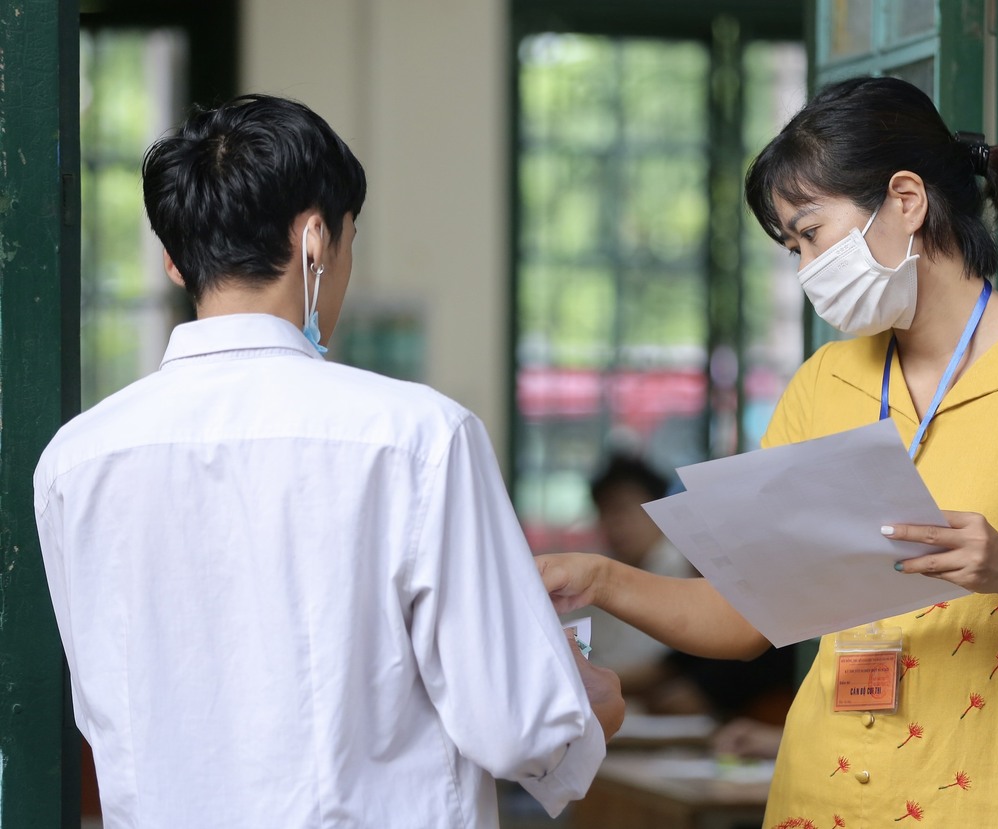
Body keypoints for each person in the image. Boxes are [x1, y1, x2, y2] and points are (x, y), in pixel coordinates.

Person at [538, 76, 998, 828]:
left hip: (989, 801)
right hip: (820, 798)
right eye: (792, 248)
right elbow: (744, 619)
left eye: (810, 234)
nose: (805, 268)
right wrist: (600, 577)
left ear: (906, 200)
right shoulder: (824, 383)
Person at [34, 94, 623, 829]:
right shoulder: (419, 437)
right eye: (349, 240)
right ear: (316, 238)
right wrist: (588, 707)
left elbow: (102, 716)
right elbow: (519, 729)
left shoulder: (75, 462)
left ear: (175, 261)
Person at [570, 452, 796, 722]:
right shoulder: (606, 573)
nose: (614, 524)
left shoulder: (758, 613)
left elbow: (680, 696)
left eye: (622, 510)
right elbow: (666, 669)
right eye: (604, 513)